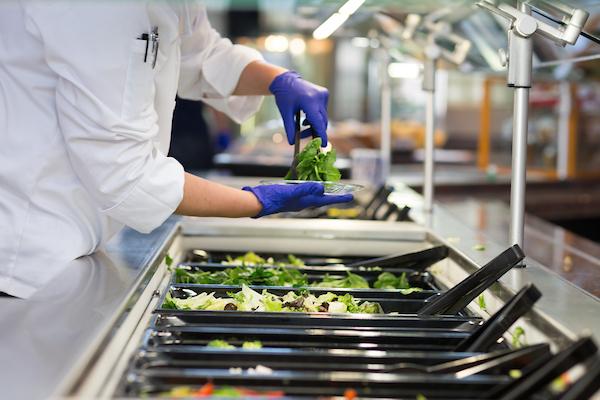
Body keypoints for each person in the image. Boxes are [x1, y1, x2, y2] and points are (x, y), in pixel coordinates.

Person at [0, 2, 352, 298]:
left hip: (71, 240)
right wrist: (257, 201)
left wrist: (277, 79)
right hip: (26, 259)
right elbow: (127, 173)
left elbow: (199, 55)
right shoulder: (100, 9)